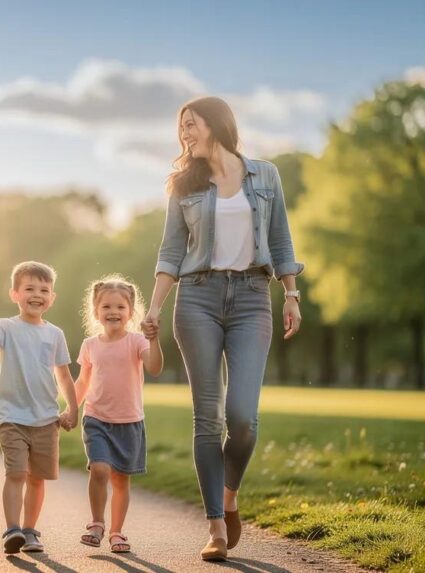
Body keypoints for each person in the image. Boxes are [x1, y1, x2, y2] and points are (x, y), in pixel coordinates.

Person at [141, 96, 304, 562]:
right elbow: (170, 251)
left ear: (216, 124)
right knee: (207, 420)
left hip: (254, 299)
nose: (184, 135)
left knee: (243, 420)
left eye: (191, 125)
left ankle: (229, 495)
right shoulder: (183, 185)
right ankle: (215, 525)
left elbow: (281, 239)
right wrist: (154, 306)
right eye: (181, 128)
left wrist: (291, 294)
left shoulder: (265, 175)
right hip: (197, 300)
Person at [0, 261, 78, 555]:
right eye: (29, 288)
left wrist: (72, 408)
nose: (37, 294)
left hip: (46, 418)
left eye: (44, 289)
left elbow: (64, 375)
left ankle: (30, 530)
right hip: (12, 417)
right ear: (15, 294)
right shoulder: (6, 327)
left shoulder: (55, 334)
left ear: (52, 298)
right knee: (16, 473)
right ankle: (12, 529)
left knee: (37, 478)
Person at [72, 275, 162, 554]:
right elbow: (83, 382)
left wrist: (154, 340)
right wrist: (70, 409)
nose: (113, 312)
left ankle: (116, 532)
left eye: (120, 307)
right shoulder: (90, 345)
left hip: (129, 421)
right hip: (96, 418)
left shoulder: (137, 342)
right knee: (99, 470)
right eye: (107, 307)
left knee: (121, 480)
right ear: (96, 312)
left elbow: (155, 367)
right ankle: (97, 523)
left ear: (131, 312)